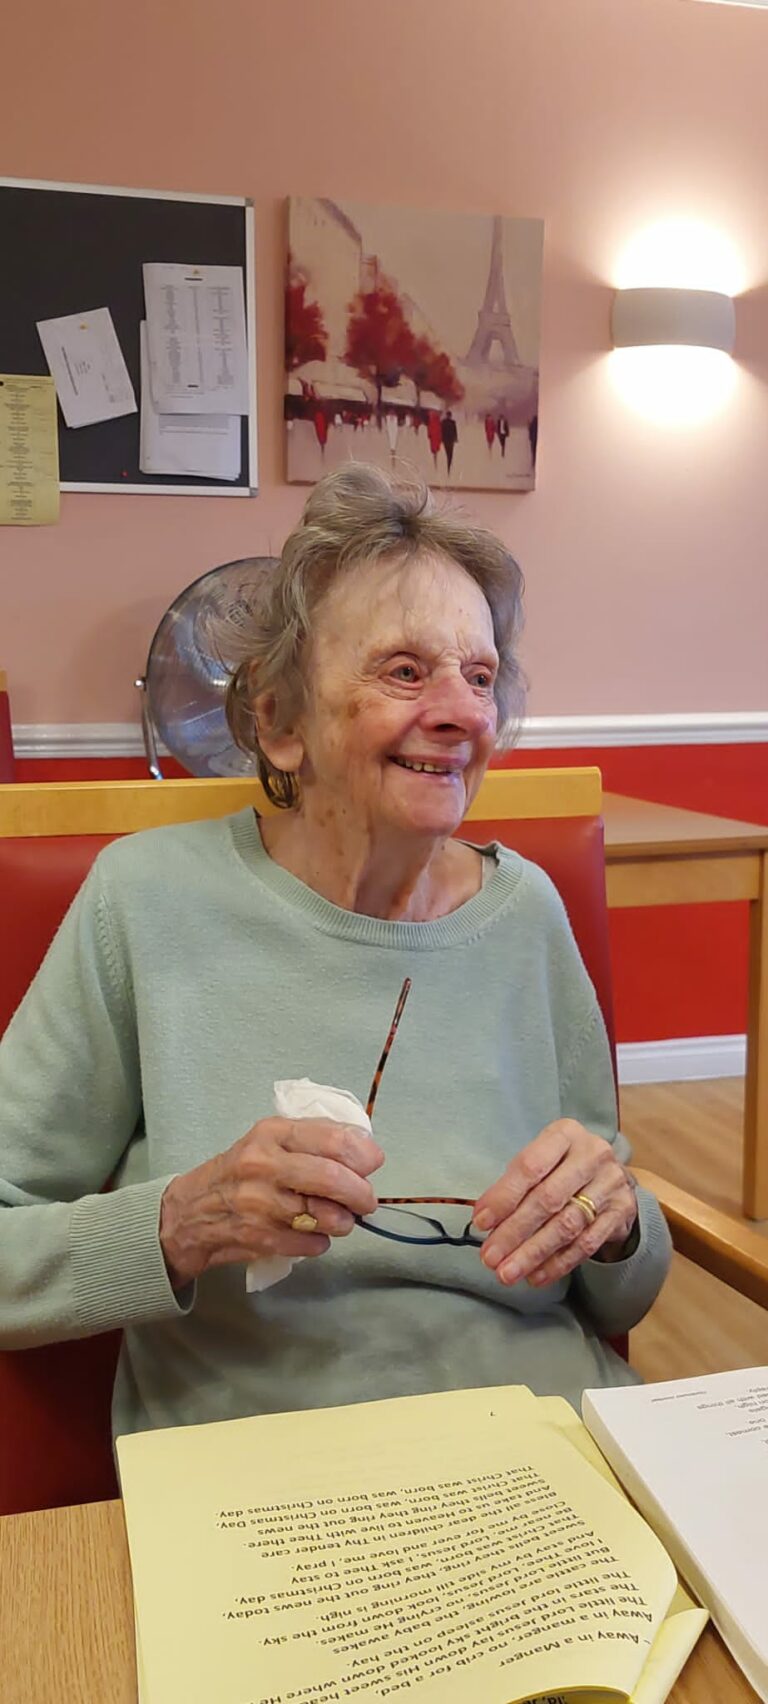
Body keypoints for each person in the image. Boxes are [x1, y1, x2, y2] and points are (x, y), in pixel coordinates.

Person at [0, 465, 671, 1441]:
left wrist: (617, 1224)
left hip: (543, 1439)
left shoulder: (528, 914)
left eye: (481, 677)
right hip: (277, 1466)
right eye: (405, 671)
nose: (463, 713)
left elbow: (623, 1294)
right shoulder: (144, 900)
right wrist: (176, 1225)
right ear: (279, 722)